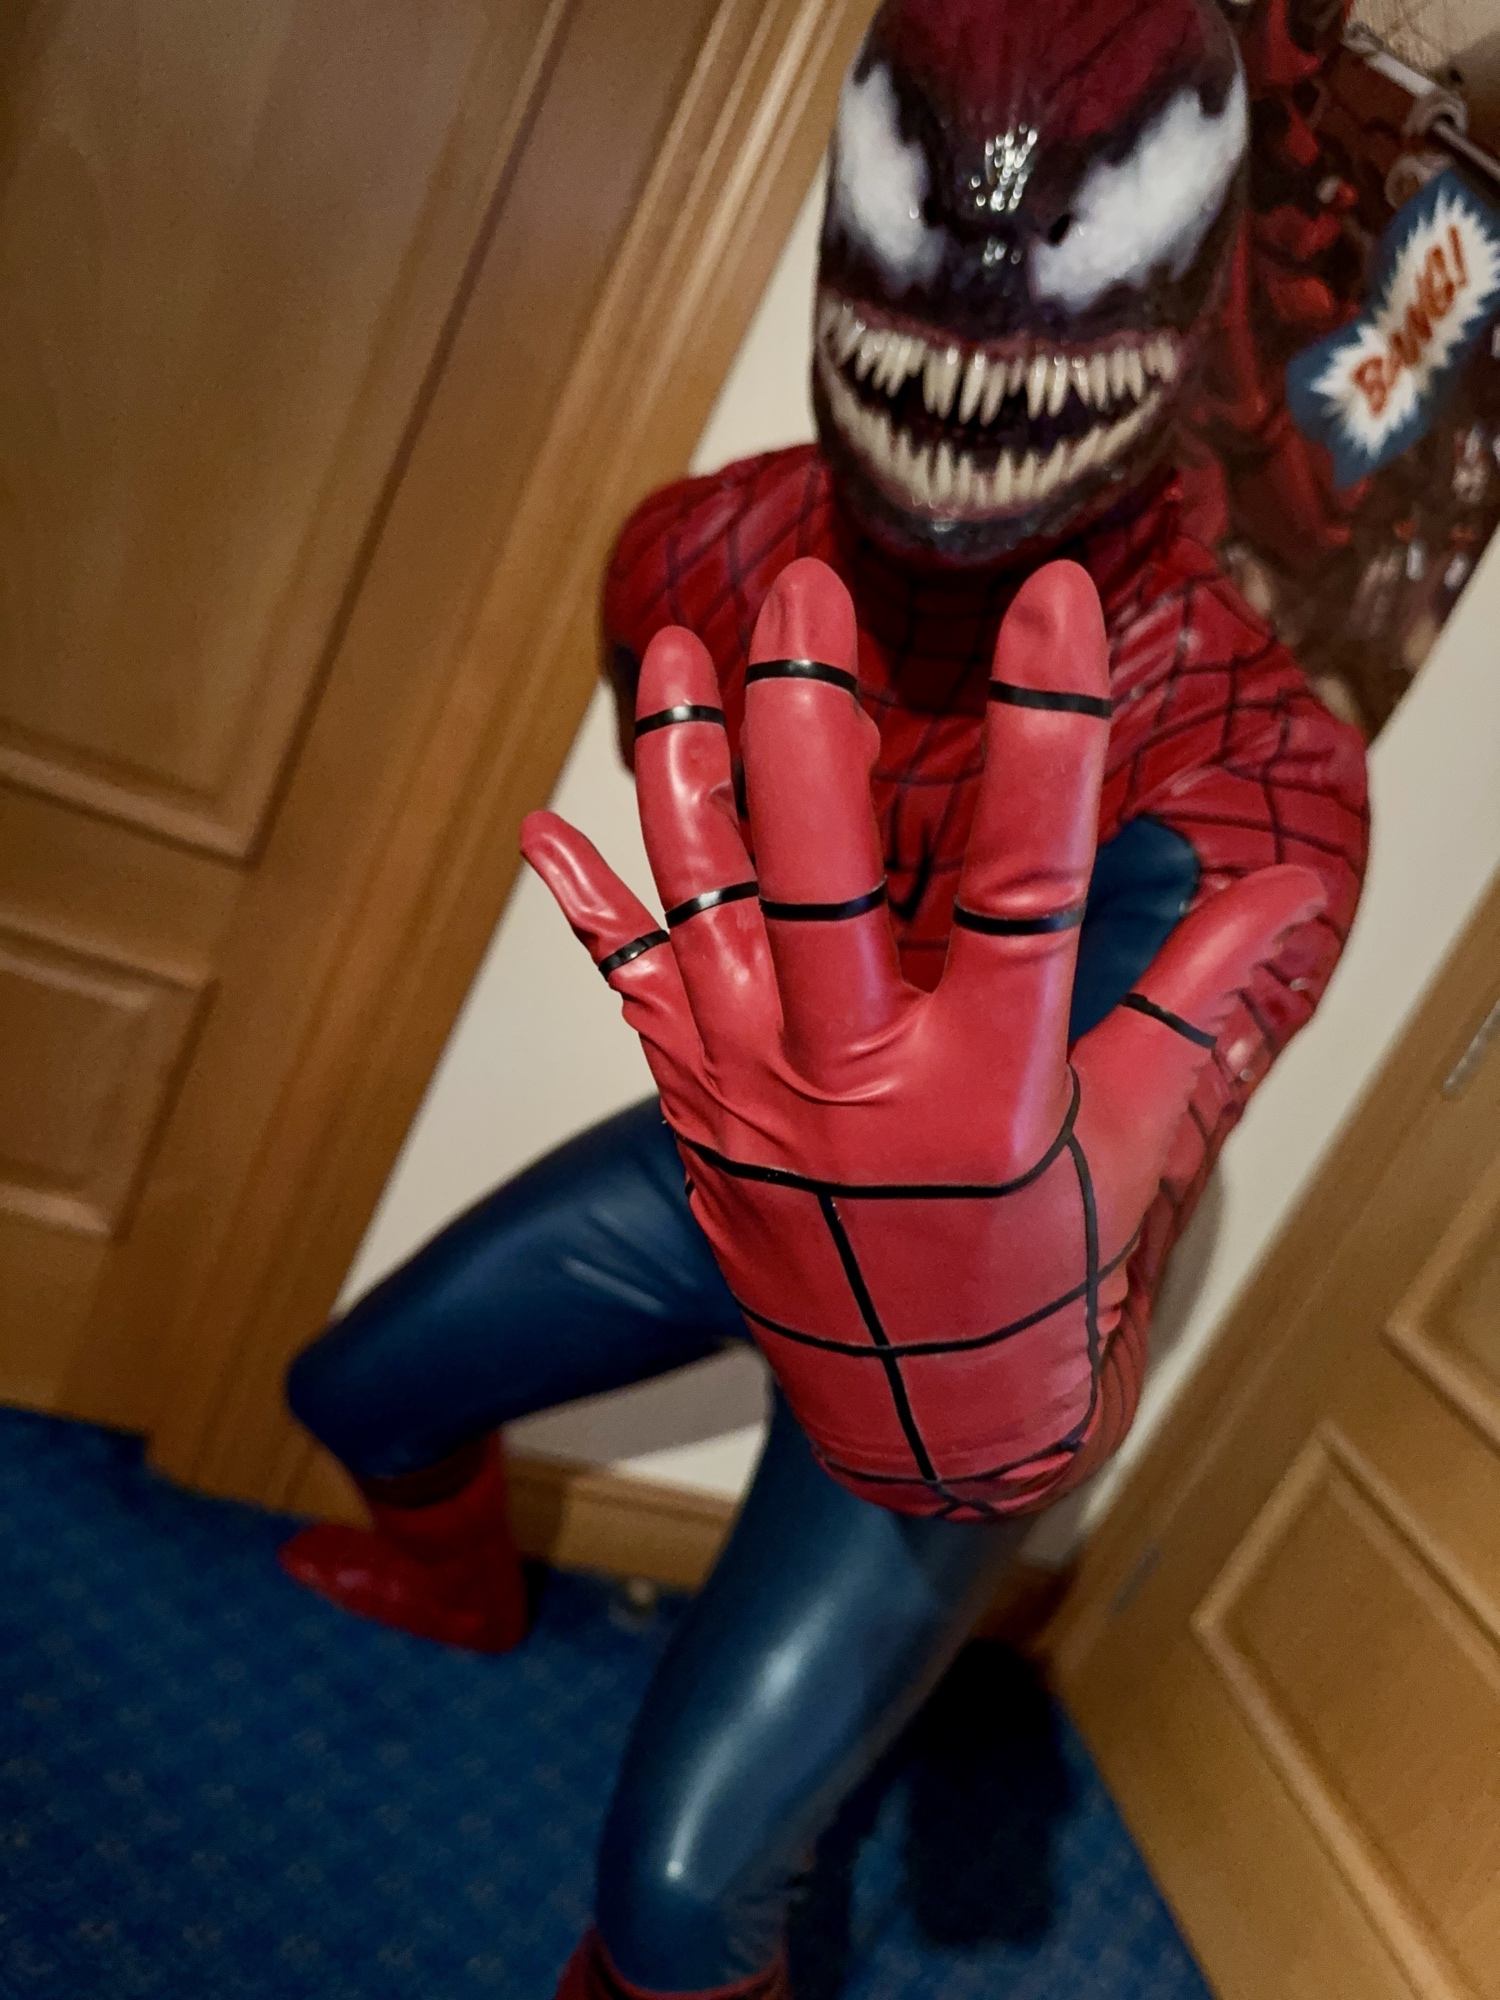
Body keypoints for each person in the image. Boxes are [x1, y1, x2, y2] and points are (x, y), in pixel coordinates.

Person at [281, 2, 1369, 1993]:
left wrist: (997, 1339)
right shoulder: (698, 555)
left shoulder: (1252, 762)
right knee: (357, 1388)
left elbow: (1125, 1126)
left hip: (990, 1285)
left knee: (682, 1898)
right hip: (753, 1147)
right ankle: (456, 1588)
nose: (985, 289)